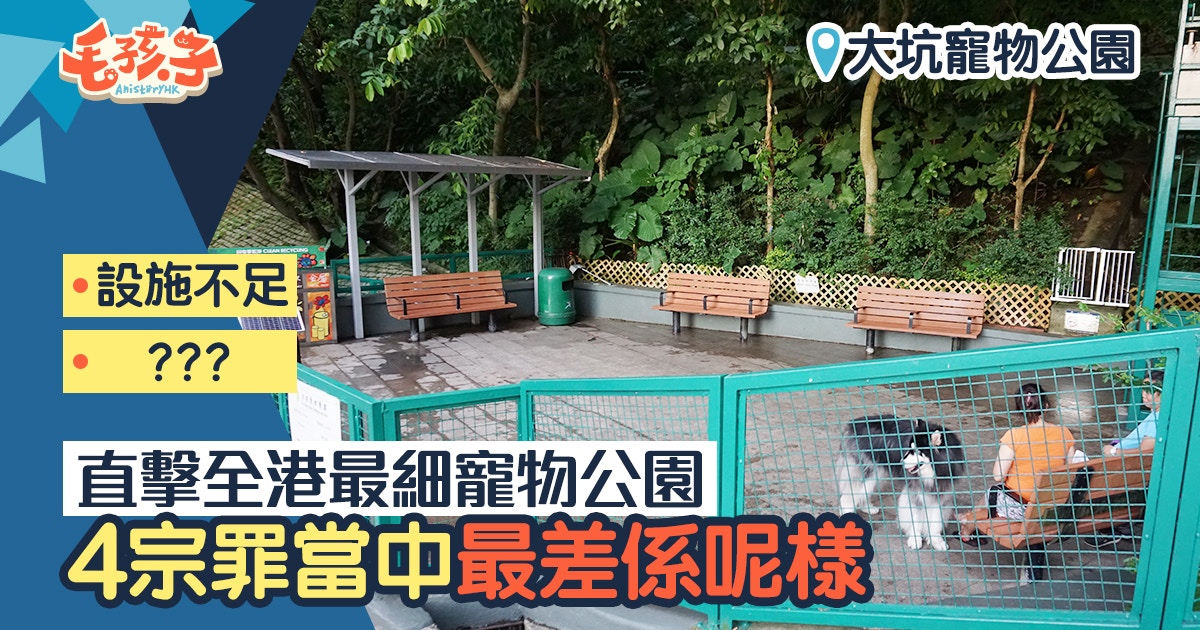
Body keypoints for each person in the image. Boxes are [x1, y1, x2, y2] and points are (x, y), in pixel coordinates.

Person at [960, 383, 1079, 583]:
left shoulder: (1014, 436)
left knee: (994, 491)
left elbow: (998, 475)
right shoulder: (1064, 433)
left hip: (1022, 508)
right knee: (995, 494)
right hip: (1055, 505)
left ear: (1019, 409)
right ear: (1046, 405)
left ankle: (966, 526)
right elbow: (1072, 470)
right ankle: (967, 525)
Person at [1105, 370, 1164, 456]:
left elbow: (1145, 452)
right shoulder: (1158, 413)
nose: (1143, 394)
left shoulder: (1156, 420)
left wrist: (1114, 451)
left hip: (1121, 459)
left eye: (1149, 391)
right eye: (1143, 389)